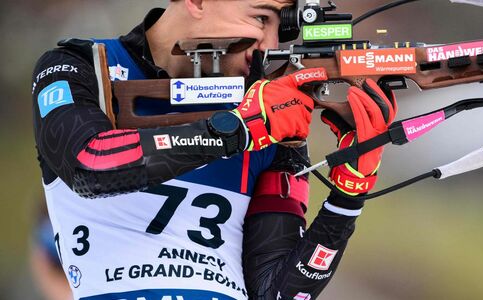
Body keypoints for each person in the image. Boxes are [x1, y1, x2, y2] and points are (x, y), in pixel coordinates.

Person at [31, 0, 397, 299]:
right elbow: (90, 163)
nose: (269, 46)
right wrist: (237, 130)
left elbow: (275, 294)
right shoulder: (80, 66)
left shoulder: (269, 111)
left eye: (280, 30)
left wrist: (347, 197)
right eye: (260, 18)